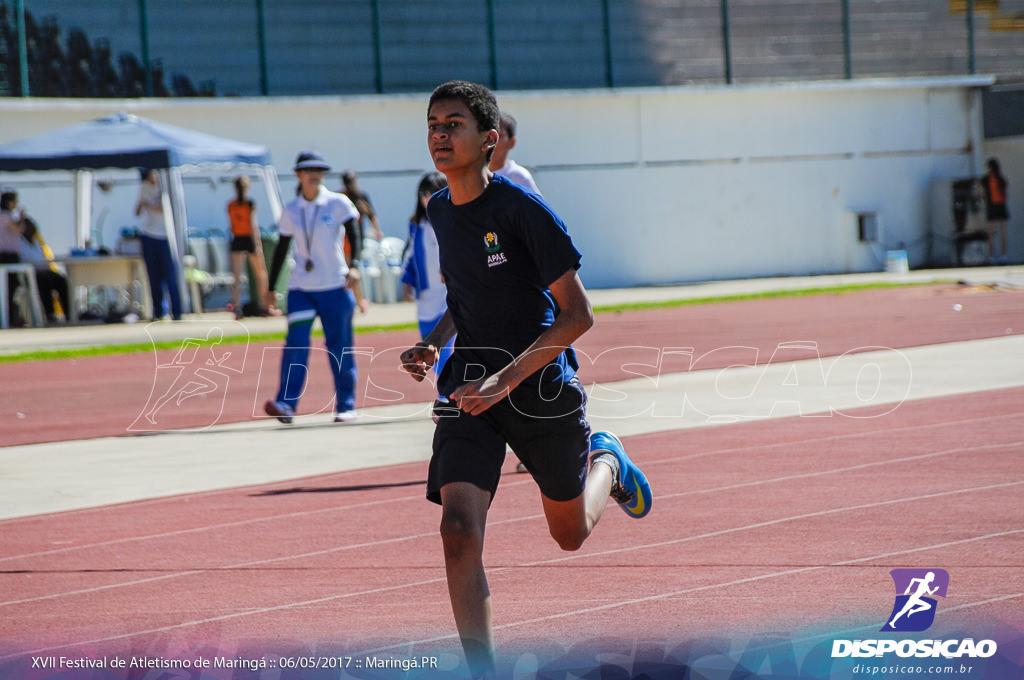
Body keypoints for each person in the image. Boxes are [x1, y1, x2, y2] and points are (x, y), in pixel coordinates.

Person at [400, 80, 653, 678]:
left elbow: (578, 314)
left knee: (568, 535)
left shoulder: (521, 209)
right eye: (433, 124)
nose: (439, 134)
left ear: (489, 140)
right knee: (458, 530)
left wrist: (506, 380)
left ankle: (609, 462)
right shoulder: (439, 209)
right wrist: (433, 345)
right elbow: (466, 295)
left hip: (538, 384)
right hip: (468, 389)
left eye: (453, 124)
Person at [262, 151, 362, 424]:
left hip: (334, 286)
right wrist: (271, 287)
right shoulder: (291, 209)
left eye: (319, 169)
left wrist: (356, 265)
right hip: (301, 289)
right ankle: (286, 404)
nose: (315, 174)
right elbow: (281, 248)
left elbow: (355, 234)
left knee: (339, 347)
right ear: (298, 174)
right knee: (296, 344)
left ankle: (345, 404)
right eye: (309, 170)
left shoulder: (338, 203)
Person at [400, 172, 453, 394]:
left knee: (448, 347)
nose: (428, 198)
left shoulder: (454, 219)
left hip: (448, 295)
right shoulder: (416, 224)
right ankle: (447, 390)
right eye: (424, 193)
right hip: (425, 298)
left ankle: (447, 394)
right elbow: (409, 255)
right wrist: (406, 281)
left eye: (433, 192)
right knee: (428, 346)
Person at [135, 168, 183, 321]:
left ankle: (176, 310)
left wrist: (150, 204)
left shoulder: (166, 186)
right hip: (148, 235)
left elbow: (169, 209)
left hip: (165, 236)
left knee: (169, 275)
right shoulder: (144, 187)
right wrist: (143, 204)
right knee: (152, 275)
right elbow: (137, 211)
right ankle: (158, 311)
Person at [226, 175, 275, 319]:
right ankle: (266, 307)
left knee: (237, 276)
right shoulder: (249, 204)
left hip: (237, 239)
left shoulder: (231, 205)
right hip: (248, 239)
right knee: (261, 274)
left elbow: (231, 226)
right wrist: (257, 244)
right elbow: (253, 226)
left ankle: (237, 307)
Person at [340, 170, 378, 313]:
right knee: (352, 271)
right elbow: (372, 216)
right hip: (354, 240)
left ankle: (356, 300)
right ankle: (359, 300)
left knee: (347, 271)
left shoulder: (343, 196)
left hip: (344, 240)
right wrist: (377, 231)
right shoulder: (359, 196)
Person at [18, 215, 69, 323]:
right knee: (43, 284)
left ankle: (68, 313)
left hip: (45, 271)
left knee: (61, 280)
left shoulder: (37, 243)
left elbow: (43, 257)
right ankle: (49, 314)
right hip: (33, 273)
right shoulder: (19, 243)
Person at [488, 111, 540, 194]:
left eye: (500, 136)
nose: (492, 141)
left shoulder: (519, 177)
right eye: (489, 135)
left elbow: (537, 206)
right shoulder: (472, 175)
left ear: (511, 142)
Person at [982, 158, 1009, 264]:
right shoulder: (990, 179)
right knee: (994, 233)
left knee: (998, 233)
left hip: (997, 206)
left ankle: (999, 256)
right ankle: (995, 256)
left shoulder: (998, 179)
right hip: (996, 206)